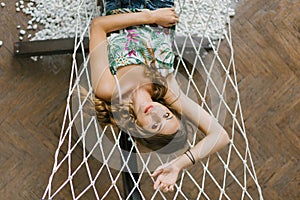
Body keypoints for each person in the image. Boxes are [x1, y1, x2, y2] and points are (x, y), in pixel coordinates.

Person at [89, 1, 230, 193]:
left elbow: (98, 25)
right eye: (167, 116)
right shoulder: (167, 89)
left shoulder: (109, 89)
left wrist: (152, 17)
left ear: (139, 128)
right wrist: (179, 164)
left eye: (155, 125)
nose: (157, 114)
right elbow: (220, 136)